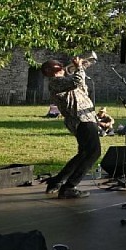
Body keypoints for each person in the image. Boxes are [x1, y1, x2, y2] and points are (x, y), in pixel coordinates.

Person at [41, 57, 101, 199]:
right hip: (81, 120)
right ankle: (69, 186)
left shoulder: (65, 82)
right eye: (59, 67)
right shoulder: (55, 82)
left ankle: (57, 181)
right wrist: (79, 68)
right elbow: (77, 81)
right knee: (94, 153)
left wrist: (81, 70)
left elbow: (83, 89)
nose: (62, 68)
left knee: (83, 154)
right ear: (50, 71)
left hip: (86, 118)